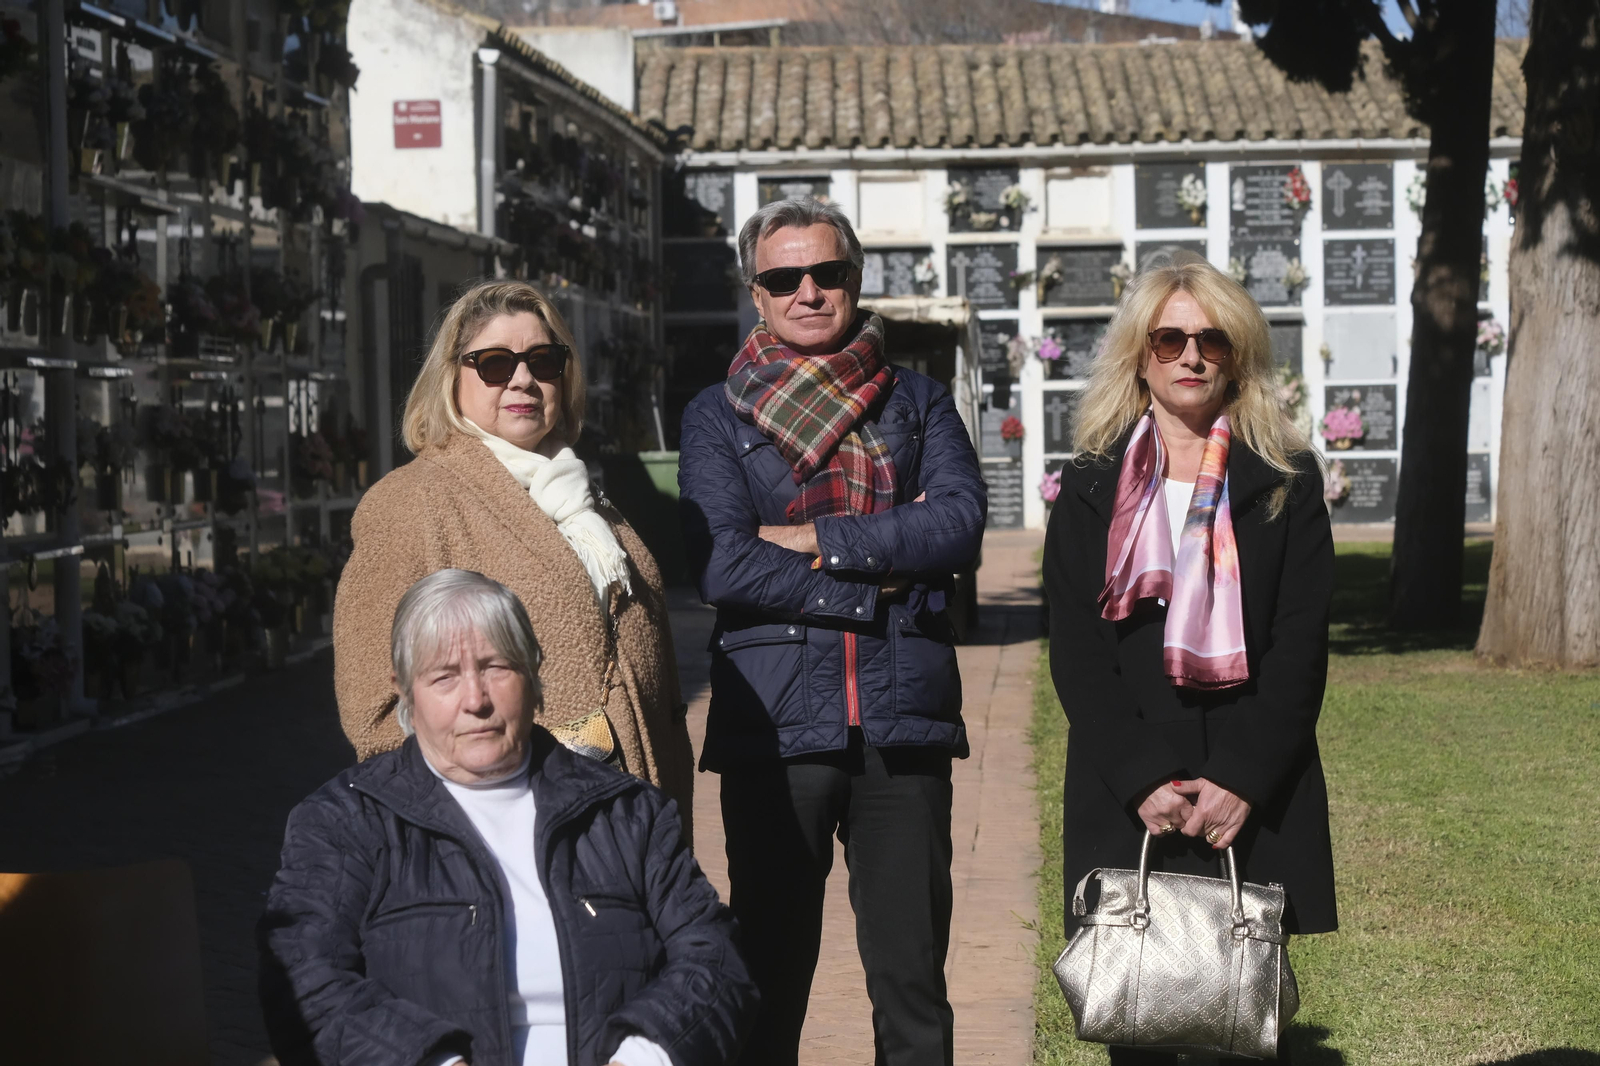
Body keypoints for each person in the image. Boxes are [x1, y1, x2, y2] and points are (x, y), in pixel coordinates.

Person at [678, 197, 987, 1066]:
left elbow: (959, 525)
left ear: (854, 278)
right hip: (775, 729)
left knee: (912, 984)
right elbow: (723, 564)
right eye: (784, 278)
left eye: (827, 272)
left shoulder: (918, 401)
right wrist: (880, 578)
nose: (808, 292)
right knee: (768, 977)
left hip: (903, 723)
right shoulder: (715, 414)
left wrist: (816, 539)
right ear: (757, 293)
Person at [261, 569, 757, 1066]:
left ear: (534, 675)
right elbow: (305, 981)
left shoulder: (624, 812)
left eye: (496, 667)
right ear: (405, 692)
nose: (475, 700)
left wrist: (641, 1058)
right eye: (444, 677)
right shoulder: (345, 822)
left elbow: (714, 958)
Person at [1043, 251, 1336, 1063]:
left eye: (1213, 340)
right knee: (1136, 1020)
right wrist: (1141, 777)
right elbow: (1077, 649)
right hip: (1128, 785)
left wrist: (1243, 778)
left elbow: (1300, 646)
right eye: (1169, 340)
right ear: (1139, 356)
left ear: (1238, 356)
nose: (1192, 357)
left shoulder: (1285, 481)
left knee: (1237, 1024)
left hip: (1247, 781)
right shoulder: (1091, 483)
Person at [333, 280, 694, 837]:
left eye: (542, 361)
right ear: (451, 377)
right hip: (515, 828)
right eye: (495, 364)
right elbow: (374, 712)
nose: (523, 379)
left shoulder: (580, 496)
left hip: (635, 823)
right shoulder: (409, 504)